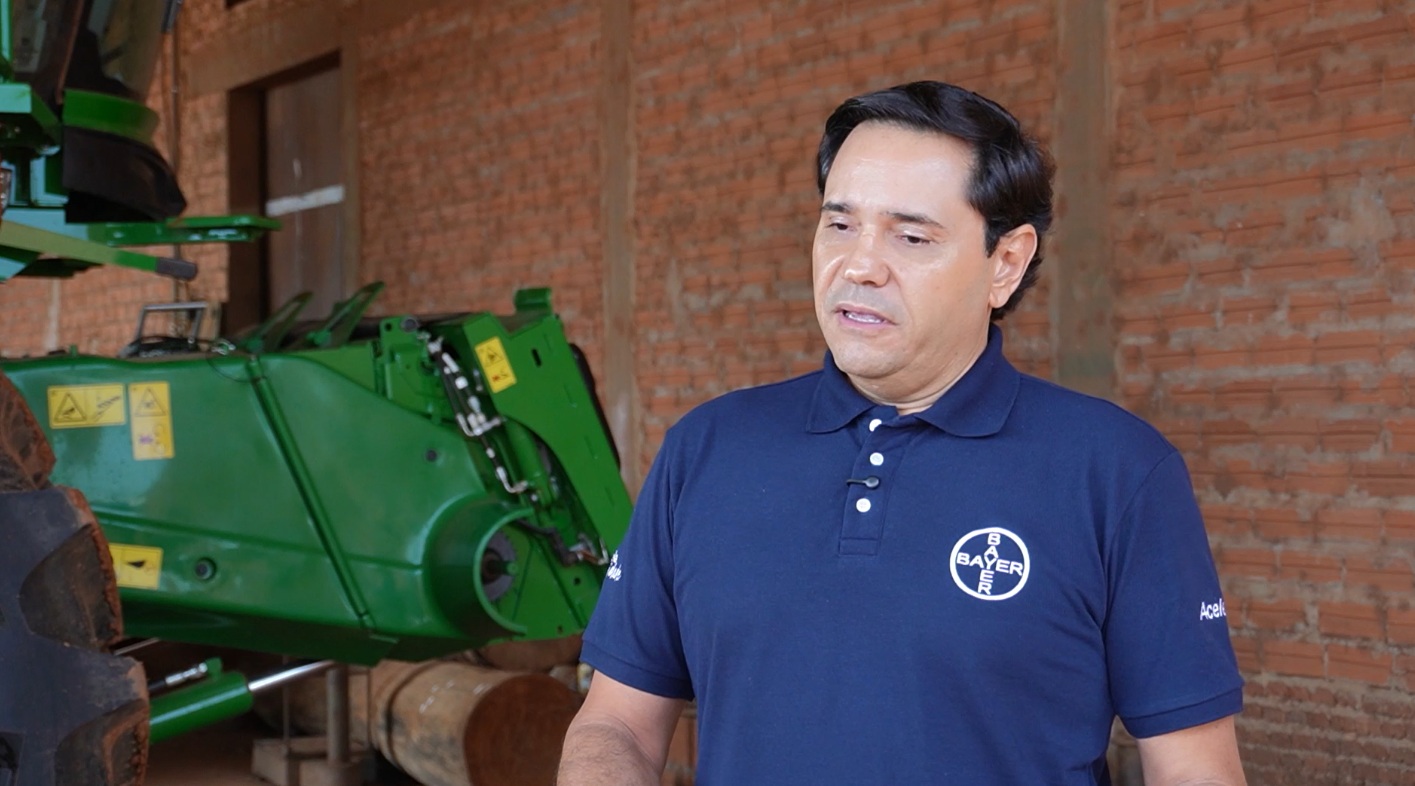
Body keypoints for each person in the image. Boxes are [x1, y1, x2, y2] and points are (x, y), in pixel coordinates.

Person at [558, 80, 1246, 785]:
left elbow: (1194, 771)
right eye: (839, 225)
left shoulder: (1116, 472)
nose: (859, 266)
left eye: (911, 237)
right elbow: (617, 724)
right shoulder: (707, 451)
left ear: (1005, 263)